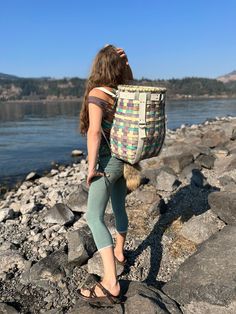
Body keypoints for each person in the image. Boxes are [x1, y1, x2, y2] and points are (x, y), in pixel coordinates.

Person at [78, 44, 133, 303]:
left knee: (94, 217)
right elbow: (129, 78)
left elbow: (93, 133)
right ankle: (120, 253)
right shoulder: (124, 91)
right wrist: (127, 64)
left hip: (107, 163)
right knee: (119, 207)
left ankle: (111, 282)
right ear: (118, 67)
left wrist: (91, 169)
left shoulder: (98, 93)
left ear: (98, 66)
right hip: (126, 160)